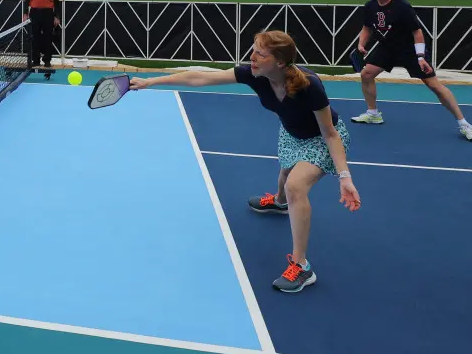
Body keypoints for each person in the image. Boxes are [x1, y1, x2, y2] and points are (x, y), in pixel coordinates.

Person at [129, 30, 361, 293]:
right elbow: (201, 76)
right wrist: (151, 82)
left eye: (260, 54)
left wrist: (345, 177)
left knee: (295, 186)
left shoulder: (309, 85)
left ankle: (302, 266)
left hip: (320, 138)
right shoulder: (255, 75)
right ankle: (279, 202)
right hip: (291, 133)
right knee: (285, 177)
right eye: (253, 50)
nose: (252, 57)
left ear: (280, 62)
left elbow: (330, 133)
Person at [352, 0, 472, 141]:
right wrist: (361, 44)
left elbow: (417, 32)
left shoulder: (402, 6)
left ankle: (464, 124)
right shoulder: (370, 7)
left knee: (434, 85)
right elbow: (367, 28)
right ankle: (373, 113)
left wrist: (420, 56)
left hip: (409, 50)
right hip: (387, 48)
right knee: (366, 74)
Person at [22, 0, 62, 71]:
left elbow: (57, 3)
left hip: (48, 13)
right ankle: (35, 60)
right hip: (34, 13)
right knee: (35, 37)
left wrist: (57, 17)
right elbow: (26, 0)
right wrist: (25, 14)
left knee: (48, 37)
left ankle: (47, 60)